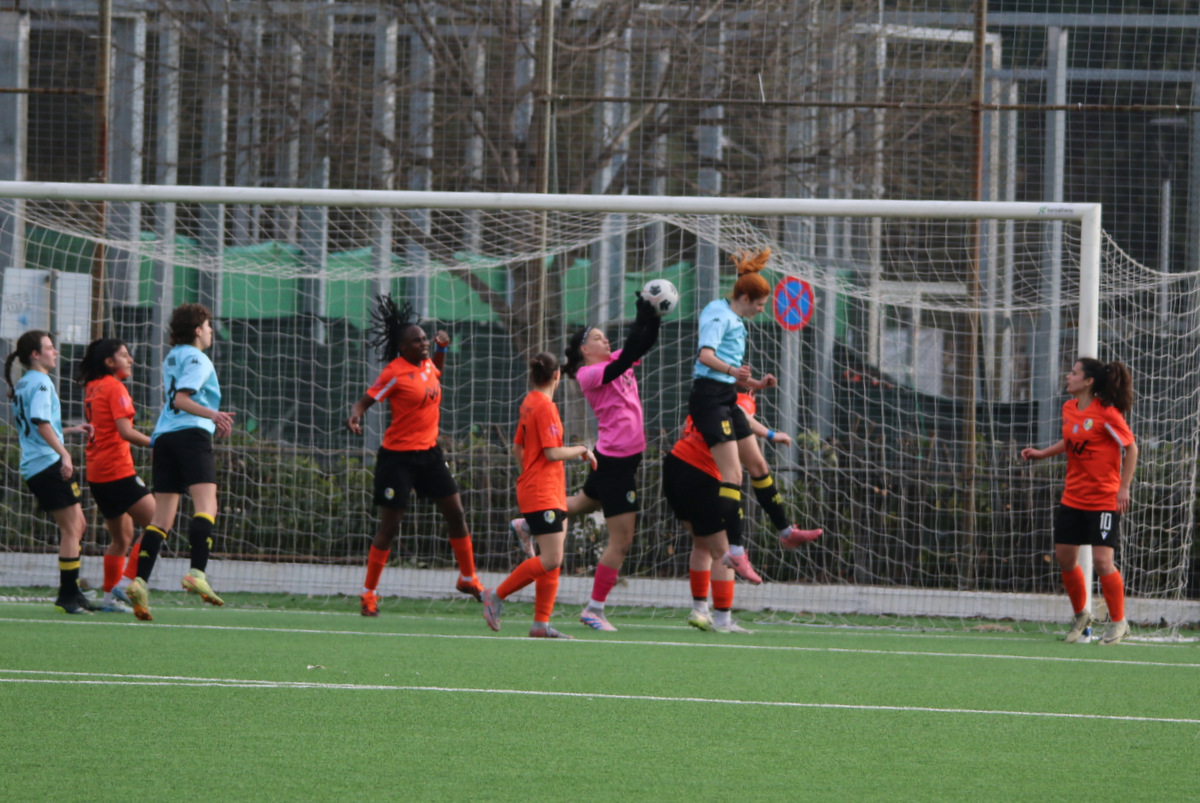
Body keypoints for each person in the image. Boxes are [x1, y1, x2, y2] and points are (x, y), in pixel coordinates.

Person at [510, 295, 660, 632]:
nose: (606, 341)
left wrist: (654, 314)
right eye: (597, 338)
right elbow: (629, 354)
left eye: (605, 337)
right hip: (616, 463)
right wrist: (640, 315)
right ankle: (594, 609)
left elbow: (643, 343)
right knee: (622, 541)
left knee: (579, 504)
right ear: (584, 350)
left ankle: (529, 524)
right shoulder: (588, 374)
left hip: (614, 459)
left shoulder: (615, 359)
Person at [346, 295, 484, 616]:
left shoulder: (427, 365)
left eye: (424, 338)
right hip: (397, 459)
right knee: (390, 526)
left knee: (456, 513)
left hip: (430, 455)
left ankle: (468, 578)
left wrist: (441, 351)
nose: (423, 343)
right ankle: (368, 594)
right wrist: (354, 416)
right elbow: (364, 401)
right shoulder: (393, 373)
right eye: (416, 341)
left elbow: (436, 374)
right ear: (402, 347)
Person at [677, 390, 821, 634]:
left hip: (681, 471)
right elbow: (742, 414)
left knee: (702, 545)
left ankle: (699, 611)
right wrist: (771, 434)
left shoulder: (704, 399)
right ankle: (722, 620)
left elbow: (686, 426)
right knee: (723, 549)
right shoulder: (737, 396)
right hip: (705, 477)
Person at [1021, 357, 1138, 646]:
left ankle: (1119, 622)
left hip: (1104, 500)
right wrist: (1042, 453)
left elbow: (1131, 448)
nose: (1068, 375)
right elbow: (1071, 440)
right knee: (1064, 558)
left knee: (1102, 561)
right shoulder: (1069, 408)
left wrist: (1123, 488)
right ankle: (1081, 616)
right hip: (1073, 497)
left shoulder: (1107, 413)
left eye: (1073, 372)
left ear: (1088, 381)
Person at [130, 303, 235, 620]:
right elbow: (181, 399)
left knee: (161, 518)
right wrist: (213, 414)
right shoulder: (198, 359)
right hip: (191, 435)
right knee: (207, 505)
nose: (211, 331)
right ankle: (197, 572)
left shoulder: (172, 356)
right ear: (198, 330)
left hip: (164, 437)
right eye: (208, 325)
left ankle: (139, 581)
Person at [483, 352, 596, 638]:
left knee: (553, 554)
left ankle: (541, 624)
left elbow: (517, 448)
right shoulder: (545, 407)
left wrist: (529, 474)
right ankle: (495, 595)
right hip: (542, 491)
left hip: (547, 489)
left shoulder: (529, 402)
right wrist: (583, 450)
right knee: (552, 559)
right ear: (557, 376)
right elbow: (552, 453)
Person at [687, 247, 778, 584]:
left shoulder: (734, 319)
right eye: (760, 304)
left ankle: (784, 530)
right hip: (709, 400)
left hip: (724, 396)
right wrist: (733, 371)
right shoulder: (719, 315)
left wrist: (755, 383)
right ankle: (735, 552)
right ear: (744, 297)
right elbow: (706, 357)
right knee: (733, 476)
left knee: (757, 466)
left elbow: (730, 377)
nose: (761, 309)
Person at [5, 330, 95, 614]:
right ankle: (67, 596)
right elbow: (41, 423)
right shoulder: (41, 382)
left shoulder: (24, 383)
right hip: (46, 463)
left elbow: (39, 426)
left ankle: (73, 591)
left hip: (39, 463)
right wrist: (65, 454)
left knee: (78, 525)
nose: (55, 352)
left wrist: (71, 429)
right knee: (72, 529)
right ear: (36, 354)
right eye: (49, 347)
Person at [78, 338, 157, 615]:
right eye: (124, 355)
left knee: (122, 538)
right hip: (117, 471)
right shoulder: (114, 387)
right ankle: (127, 582)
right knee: (158, 523)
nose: (130, 359)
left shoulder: (93, 386)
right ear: (110, 362)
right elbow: (125, 431)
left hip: (97, 473)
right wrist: (156, 444)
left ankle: (110, 599)